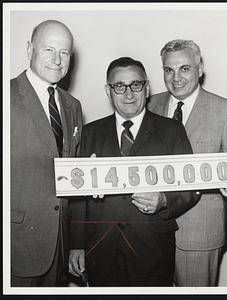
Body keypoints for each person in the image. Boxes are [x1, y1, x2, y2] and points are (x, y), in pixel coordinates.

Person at [69, 57, 201, 287]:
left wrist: (164, 201)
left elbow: (191, 187)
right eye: (119, 86)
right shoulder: (90, 133)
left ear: (147, 88)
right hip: (100, 251)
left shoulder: (171, 130)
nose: (128, 94)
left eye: (136, 85)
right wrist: (76, 244)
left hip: (152, 252)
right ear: (108, 91)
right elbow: (78, 198)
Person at [148, 39, 227, 286]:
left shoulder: (225, 111)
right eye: (168, 70)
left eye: (184, 68)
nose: (176, 77)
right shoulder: (150, 104)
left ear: (200, 68)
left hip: (199, 236)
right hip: (151, 232)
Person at [11, 20, 83, 287]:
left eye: (64, 52)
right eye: (48, 50)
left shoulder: (73, 106)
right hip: (15, 244)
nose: (57, 60)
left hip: (59, 247)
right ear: (30, 50)